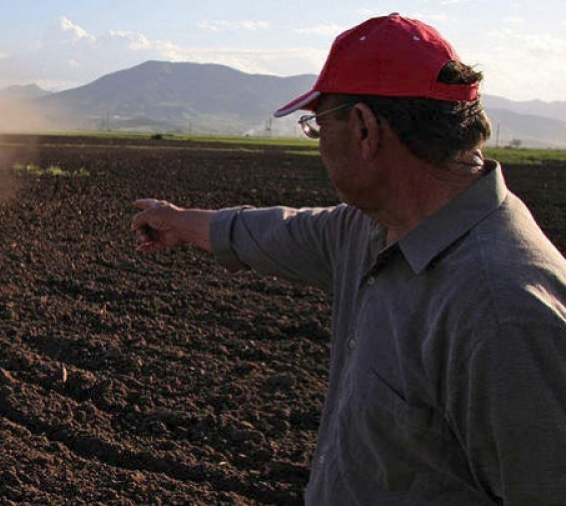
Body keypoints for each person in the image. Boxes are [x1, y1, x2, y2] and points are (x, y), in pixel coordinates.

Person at [132, 13, 566, 505]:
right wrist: (179, 221)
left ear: (363, 128)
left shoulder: (501, 313)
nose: (317, 144)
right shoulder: (373, 228)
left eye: (317, 125)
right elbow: (281, 231)